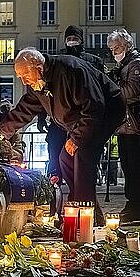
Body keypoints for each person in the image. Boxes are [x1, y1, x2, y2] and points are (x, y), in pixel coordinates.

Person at [0, 48, 125, 226]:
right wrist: (0, 132)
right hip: (80, 119)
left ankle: (84, 216)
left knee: (82, 156)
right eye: (19, 76)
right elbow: (24, 109)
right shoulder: (37, 83)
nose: (23, 80)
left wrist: (77, 138)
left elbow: (94, 106)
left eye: (24, 75)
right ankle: (85, 207)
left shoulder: (71, 71)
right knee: (65, 158)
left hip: (104, 114)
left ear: (38, 67)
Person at [39, 25, 106, 184]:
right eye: (69, 39)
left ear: (81, 41)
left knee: (83, 151)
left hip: (84, 115)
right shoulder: (58, 61)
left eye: (74, 39)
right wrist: (42, 117)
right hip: (61, 115)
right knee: (55, 146)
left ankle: (84, 180)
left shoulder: (93, 61)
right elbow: (44, 90)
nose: (71, 42)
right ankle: (55, 177)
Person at [107, 28, 140, 222]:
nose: (114, 52)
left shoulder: (137, 63)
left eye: (117, 47)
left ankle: (138, 205)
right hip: (126, 123)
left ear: (127, 45)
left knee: (135, 166)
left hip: (134, 122)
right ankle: (132, 203)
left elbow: (133, 90)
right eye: (111, 49)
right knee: (127, 165)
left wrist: (111, 88)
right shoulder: (126, 64)